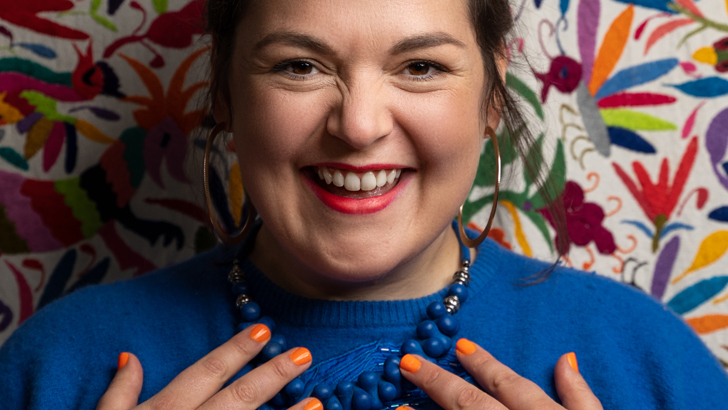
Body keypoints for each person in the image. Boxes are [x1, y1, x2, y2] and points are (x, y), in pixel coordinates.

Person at [1, 0, 727, 408]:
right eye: (299, 65)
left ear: (491, 95)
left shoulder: (645, 363)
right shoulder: (56, 366)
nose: (358, 125)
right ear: (223, 89)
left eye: (420, 66)